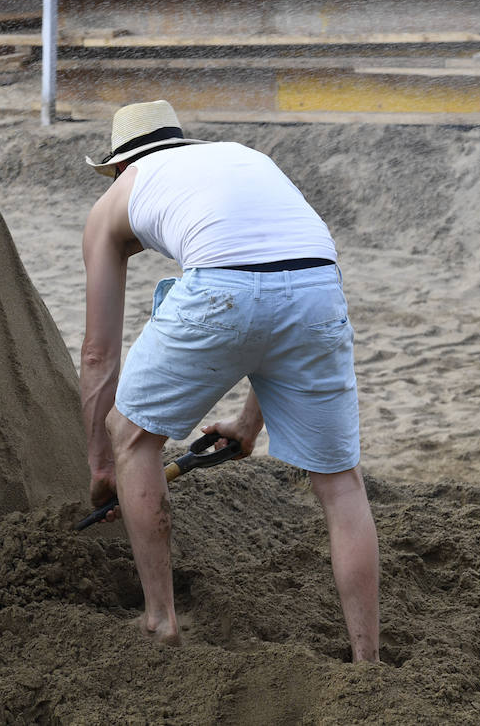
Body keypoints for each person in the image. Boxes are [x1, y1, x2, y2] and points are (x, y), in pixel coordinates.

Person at [80, 100, 379, 657]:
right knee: (341, 484)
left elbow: (98, 353)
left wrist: (103, 464)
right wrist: (248, 424)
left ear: (120, 167)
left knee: (133, 434)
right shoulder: (242, 159)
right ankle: (369, 663)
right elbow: (281, 285)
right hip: (319, 289)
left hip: (223, 285)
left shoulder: (113, 202)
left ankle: (159, 620)